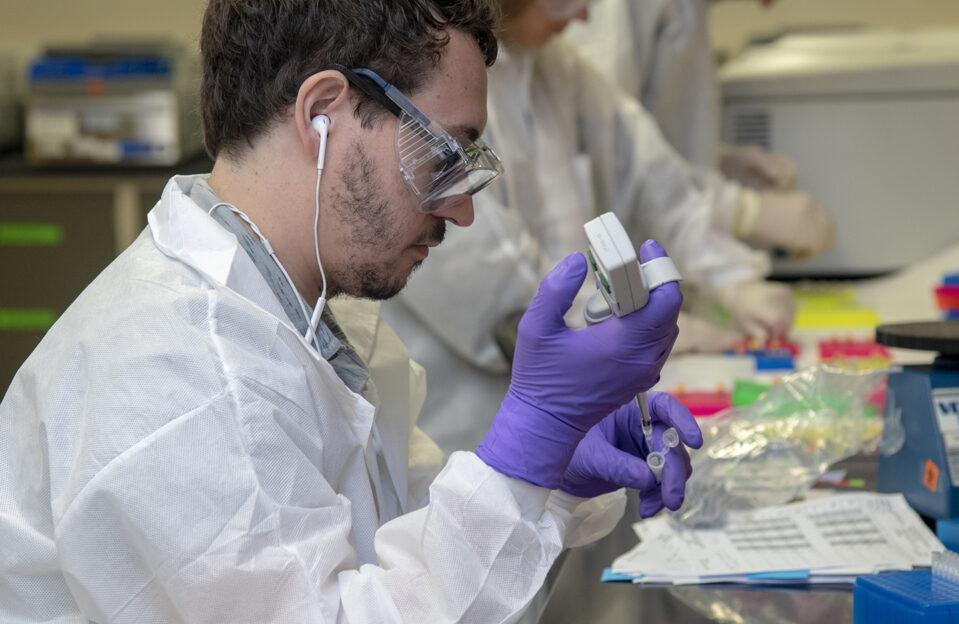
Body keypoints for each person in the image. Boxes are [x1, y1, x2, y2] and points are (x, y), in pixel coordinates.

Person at [0, 1, 702, 622]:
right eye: (443, 159)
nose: (460, 209)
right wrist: (530, 444)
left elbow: (415, 565)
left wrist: (548, 473)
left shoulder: (308, 320)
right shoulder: (173, 375)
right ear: (321, 113)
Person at [386, 0, 833, 456]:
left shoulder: (558, 70)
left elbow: (651, 173)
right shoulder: (435, 79)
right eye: (566, 2)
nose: (584, 19)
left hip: (572, 405)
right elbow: (487, 275)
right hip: (462, 421)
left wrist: (731, 278)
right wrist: (618, 325)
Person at [563, 0, 832, 252]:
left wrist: (715, 159)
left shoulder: (688, 7)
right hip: (613, 266)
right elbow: (602, 154)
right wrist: (741, 209)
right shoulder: (623, 8)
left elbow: (640, 130)